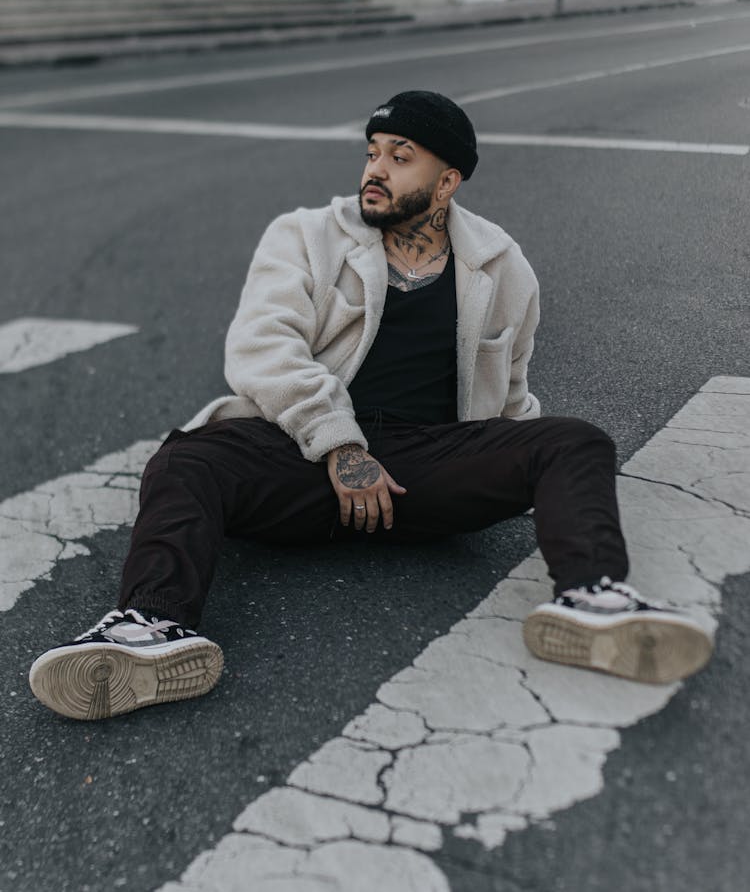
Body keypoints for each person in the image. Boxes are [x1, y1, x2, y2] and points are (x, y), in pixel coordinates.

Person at [29, 90, 713, 721]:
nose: (376, 169)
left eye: (400, 156)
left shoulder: (503, 267)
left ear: (448, 181)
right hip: (306, 456)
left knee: (574, 442)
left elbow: (509, 398)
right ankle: (151, 625)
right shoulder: (304, 236)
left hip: (424, 470)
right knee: (188, 459)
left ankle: (591, 599)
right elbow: (262, 348)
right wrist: (340, 446)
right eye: (372, 152)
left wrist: (529, 473)